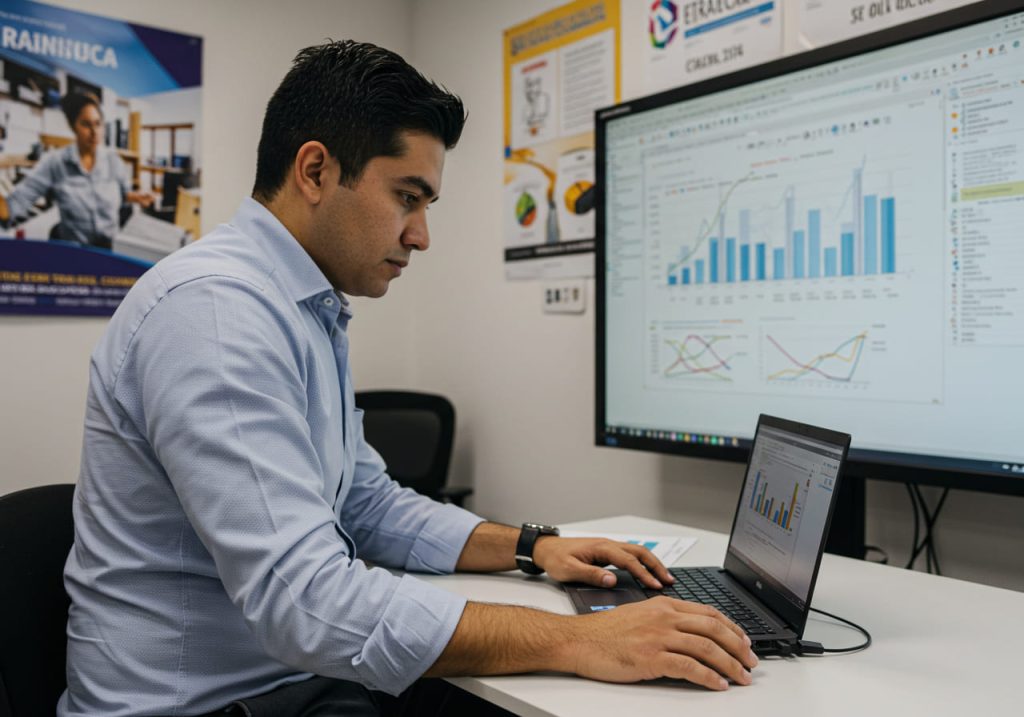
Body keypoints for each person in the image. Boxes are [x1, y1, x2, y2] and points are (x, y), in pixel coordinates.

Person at [58, 41, 758, 717]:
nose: (421, 234)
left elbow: (364, 502)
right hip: (212, 704)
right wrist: (580, 638)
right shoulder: (215, 314)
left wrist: (534, 546)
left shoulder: (303, 307)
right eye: (408, 197)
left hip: (293, 683)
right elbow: (306, 603)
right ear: (314, 171)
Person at [0, 91, 154, 249]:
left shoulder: (113, 160)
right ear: (73, 127)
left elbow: (124, 194)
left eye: (98, 123)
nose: (94, 132)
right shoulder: (56, 163)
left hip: (112, 250)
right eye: (86, 124)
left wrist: (137, 196)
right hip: (77, 254)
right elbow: (13, 205)